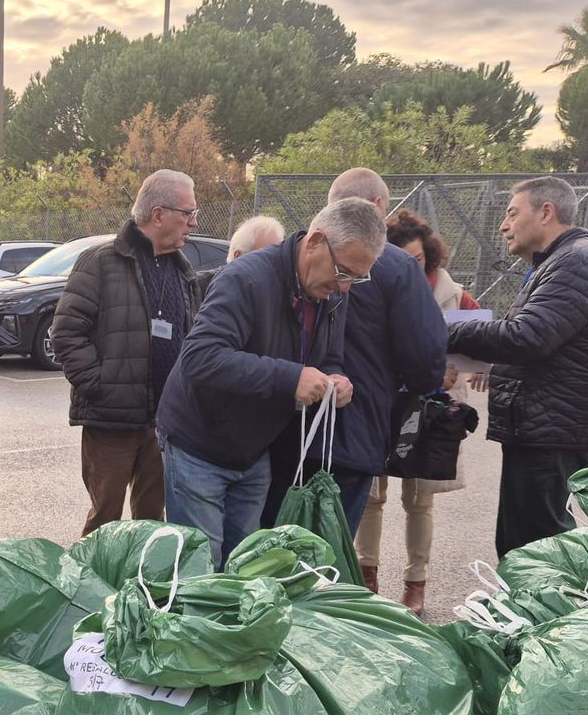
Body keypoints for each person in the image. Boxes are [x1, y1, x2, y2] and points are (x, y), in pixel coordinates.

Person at [156, 198, 381, 568]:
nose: (345, 287)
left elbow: (328, 356)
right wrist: (291, 377)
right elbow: (200, 357)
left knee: (248, 567)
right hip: (199, 445)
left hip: (255, 450)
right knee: (201, 571)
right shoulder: (246, 278)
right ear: (315, 242)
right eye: (343, 272)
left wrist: (336, 379)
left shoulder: (330, 294)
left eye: (357, 278)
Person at [448, 176, 588, 557]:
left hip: (554, 431)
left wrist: (449, 332)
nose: (504, 226)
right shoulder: (560, 262)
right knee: (522, 544)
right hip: (547, 427)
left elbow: (527, 336)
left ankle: (557, 599)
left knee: (536, 550)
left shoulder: (575, 263)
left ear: (546, 212)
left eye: (512, 213)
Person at [287, 168, 446, 535]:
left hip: (288, 427)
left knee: (277, 542)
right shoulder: (397, 266)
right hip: (355, 431)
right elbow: (425, 358)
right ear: (375, 205)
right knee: (329, 547)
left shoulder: (297, 255)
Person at [51, 169, 204, 535]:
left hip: (163, 422)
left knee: (152, 521)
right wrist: (99, 386)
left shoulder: (182, 271)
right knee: (104, 519)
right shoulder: (100, 262)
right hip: (111, 420)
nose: (194, 223)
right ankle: (91, 573)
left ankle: (144, 573)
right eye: (188, 213)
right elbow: (67, 333)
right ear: (158, 215)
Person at [357, 209, 480, 613]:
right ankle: (366, 577)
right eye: (402, 258)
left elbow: (481, 339)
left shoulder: (453, 293)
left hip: (430, 410)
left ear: (429, 254)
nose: (412, 266)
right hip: (384, 403)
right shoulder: (371, 284)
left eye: (419, 259)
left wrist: (477, 369)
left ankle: (416, 583)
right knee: (371, 496)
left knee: (420, 501)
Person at [193, 214, 285, 302]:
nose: (274, 266)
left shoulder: (281, 294)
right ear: (238, 257)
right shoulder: (195, 288)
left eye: (278, 257)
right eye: (266, 257)